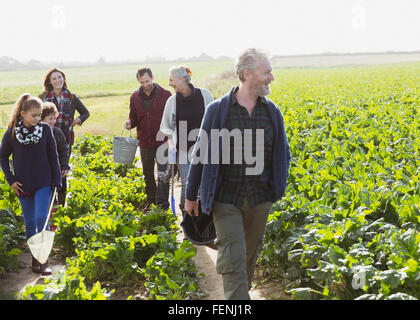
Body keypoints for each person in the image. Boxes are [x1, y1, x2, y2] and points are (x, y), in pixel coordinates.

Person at [185, 48, 291, 300]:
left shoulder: (272, 112)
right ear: (247, 74)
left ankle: (239, 293)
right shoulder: (218, 111)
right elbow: (200, 154)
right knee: (233, 260)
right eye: (266, 72)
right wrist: (191, 194)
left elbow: (282, 153)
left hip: (260, 200)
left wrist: (277, 189)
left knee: (247, 259)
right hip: (226, 199)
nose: (271, 78)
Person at [0, 94, 62, 275]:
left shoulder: (45, 130)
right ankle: (35, 258)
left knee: (42, 219)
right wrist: (11, 180)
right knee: (29, 223)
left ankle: (44, 261)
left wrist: (57, 180)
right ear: (22, 113)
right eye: (33, 115)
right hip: (23, 185)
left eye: (39, 114)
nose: (37, 119)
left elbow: (53, 155)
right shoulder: (12, 132)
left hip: (44, 182)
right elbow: (3, 157)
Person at [159, 66, 213, 214]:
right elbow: (167, 128)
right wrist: (170, 145)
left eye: (171, 80)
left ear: (182, 79)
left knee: (203, 184)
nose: (169, 84)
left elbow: (214, 121)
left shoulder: (205, 95)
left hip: (204, 150)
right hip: (182, 150)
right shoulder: (172, 101)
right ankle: (187, 219)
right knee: (187, 184)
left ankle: (203, 219)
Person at [39, 67, 90, 206]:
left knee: (63, 169)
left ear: (64, 79)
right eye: (54, 78)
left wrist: (78, 120)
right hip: (46, 138)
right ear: (49, 81)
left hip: (66, 139)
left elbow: (85, 113)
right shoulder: (43, 98)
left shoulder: (72, 97)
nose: (58, 80)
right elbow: (35, 115)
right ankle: (50, 202)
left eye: (60, 77)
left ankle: (61, 204)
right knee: (48, 168)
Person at [125, 67, 172, 210]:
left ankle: (163, 204)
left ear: (152, 77)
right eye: (142, 82)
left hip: (162, 140)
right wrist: (129, 123)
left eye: (147, 81)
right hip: (145, 141)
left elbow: (171, 117)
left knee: (163, 174)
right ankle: (152, 201)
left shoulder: (165, 95)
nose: (145, 84)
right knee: (148, 174)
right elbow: (133, 117)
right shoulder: (135, 97)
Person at [41, 102, 70, 231]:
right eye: (49, 119)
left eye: (54, 118)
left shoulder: (58, 132)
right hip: (47, 171)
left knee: (62, 191)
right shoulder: (39, 133)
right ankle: (51, 222)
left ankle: (60, 217)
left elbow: (64, 150)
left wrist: (64, 166)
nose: (53, 121)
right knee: (51, 195)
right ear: (42, 119)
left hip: (59, 169)